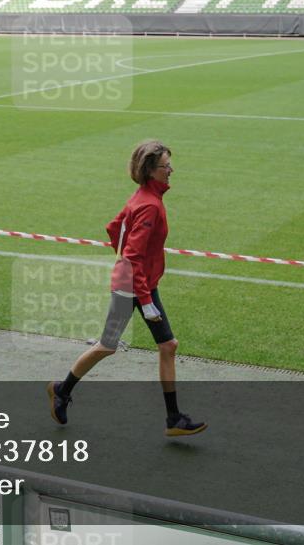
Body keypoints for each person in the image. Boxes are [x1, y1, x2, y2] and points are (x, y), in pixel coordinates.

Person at [47, 140, 205, 436]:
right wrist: (144, 299)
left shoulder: (144, 197)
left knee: (168, 346)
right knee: (107, 346)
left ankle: (173, 419)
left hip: (140, 283)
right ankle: (61, 389)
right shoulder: (149, 205)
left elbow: (114, 227)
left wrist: (129, 271)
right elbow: (132, 257)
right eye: (165, 166)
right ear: (150, 171)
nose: (171, 170)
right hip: (130, 288)